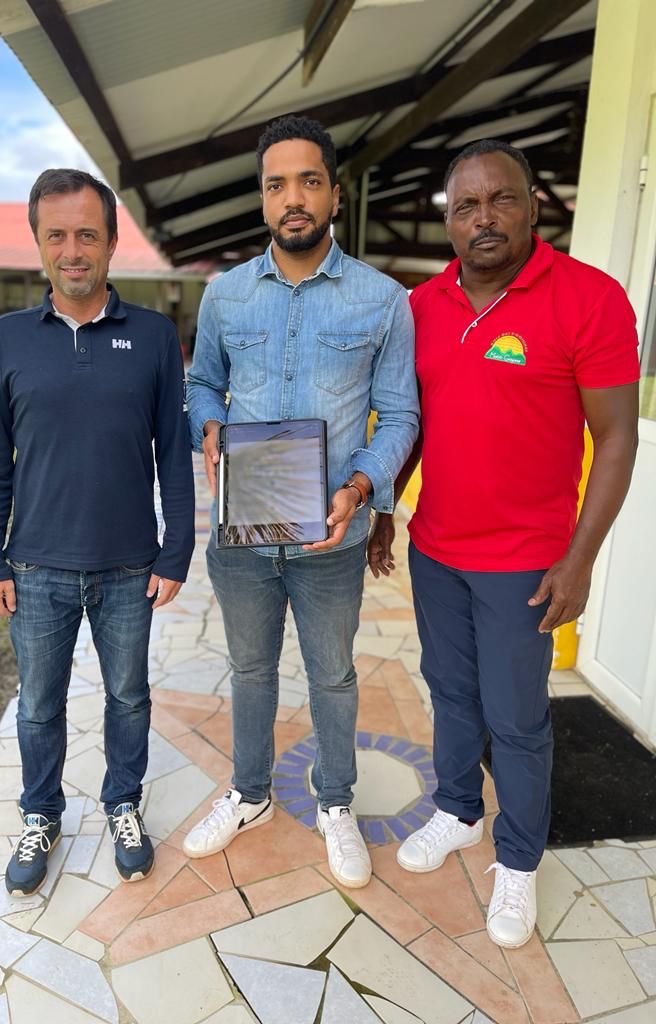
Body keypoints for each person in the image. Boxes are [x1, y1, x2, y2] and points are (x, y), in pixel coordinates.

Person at [369, 139, 640, 946]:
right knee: (449, 691)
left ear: (534, 206)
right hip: (437, 549)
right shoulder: (421, 307)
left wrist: (580, 559)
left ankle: (519, 861)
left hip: (526, 563)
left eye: (502, 199)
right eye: (467, 206)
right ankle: (459, 811)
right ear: (448, 220)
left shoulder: (589, 299)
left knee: (518, 719)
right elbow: (412, 422)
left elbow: (618, 436)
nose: (484, 218)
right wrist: (385, 508)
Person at [184, 115, 419, 888]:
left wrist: (361, 488)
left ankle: (336, 803)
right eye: (277, 184)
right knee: (250, 669)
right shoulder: (223, 296)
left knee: (333, 676)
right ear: (262, 198)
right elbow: (201, 382)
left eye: (309, 181)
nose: (294, 198)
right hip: (243, 533)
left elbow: (401, 414)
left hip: (331, 537)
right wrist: (208, 425)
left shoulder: (383, 300)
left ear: (334, 194)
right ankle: (249, 794)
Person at [0, 169, 195, 896]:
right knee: (39, 705)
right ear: (39, 242)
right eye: (58, 235)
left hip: (130, 568)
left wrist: (177, 548)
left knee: (128, 698)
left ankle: (123, 803)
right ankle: (41, 814)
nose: (73, 250)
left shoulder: (154, 337)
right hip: (35, 569)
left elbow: (174, 452)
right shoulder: (6, 340)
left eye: (87, 234)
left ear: (111, 241)